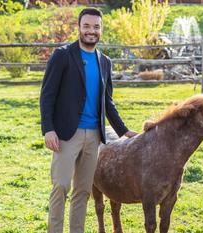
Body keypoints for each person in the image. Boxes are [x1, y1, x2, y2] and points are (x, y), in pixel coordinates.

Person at [40, 8, 137, 233]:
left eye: (96, 27)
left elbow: (107, 102)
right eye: (87, 26)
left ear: (101, 29)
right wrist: (48, 129)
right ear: (79, 27)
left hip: (94, 135)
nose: (91, 31)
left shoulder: (105, 62)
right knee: (61, 187)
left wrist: (124, 131)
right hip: (66, 134)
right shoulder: (63, 55)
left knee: (83, 191)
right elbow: (47, 95)